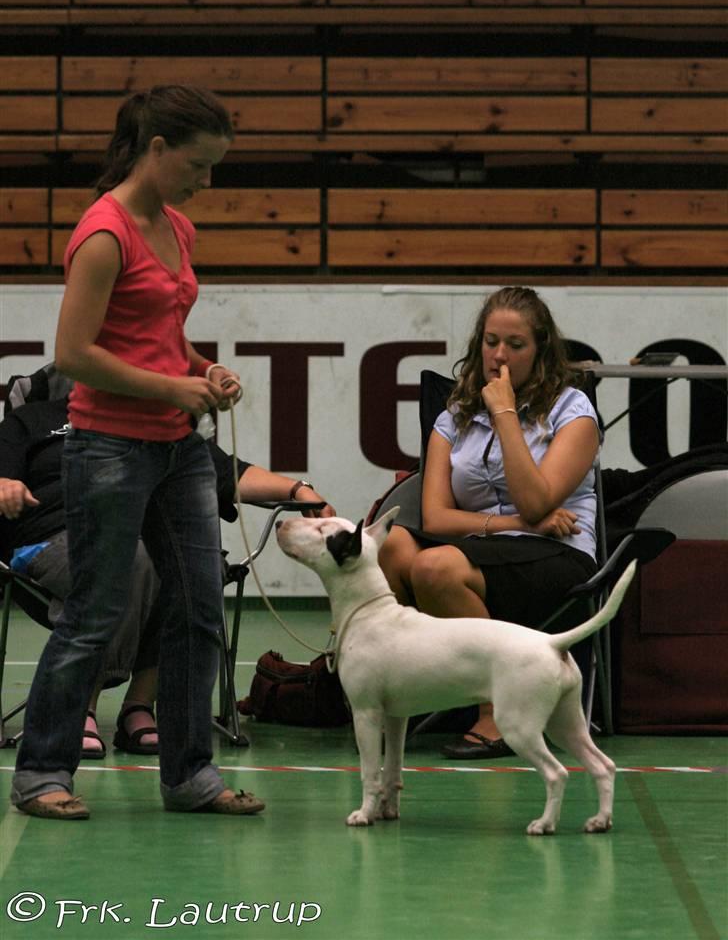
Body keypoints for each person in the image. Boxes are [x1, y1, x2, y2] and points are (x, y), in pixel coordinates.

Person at [11, 84, 257, 820]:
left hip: (178, 448)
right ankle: (41, 772)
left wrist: (203, 368)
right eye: (198, 164)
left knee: (199, 607)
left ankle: (189, 776)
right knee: (95, 612)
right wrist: (173, 386)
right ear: (156, 149)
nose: (205, 181)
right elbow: (73, 354)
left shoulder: (177, 227)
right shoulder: (103, 233)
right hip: (108, 447)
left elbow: (164, 335)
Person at [0, 390, 334, 760]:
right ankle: (81, 706)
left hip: (144, 536)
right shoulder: (30, 420)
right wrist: (4, 484)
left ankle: (139, 706)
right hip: (53, 539)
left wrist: (298, 490)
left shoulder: (154, 421)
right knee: (128, 559)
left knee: (191, 565)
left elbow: (229, 473)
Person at [378, 286, 601, 760]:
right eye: (491, 341)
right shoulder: (455, 416)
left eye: (515, 345)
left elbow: (536, 502)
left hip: (558, 552)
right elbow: (437, 516)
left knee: (434, 568)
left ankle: (497, 712)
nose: (499, 356)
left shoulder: (573, 411)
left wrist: (504, 412)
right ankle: (396, 697)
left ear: (540, 352)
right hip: (486, 542)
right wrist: (516, 522)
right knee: (393, 548)